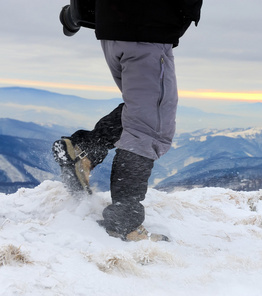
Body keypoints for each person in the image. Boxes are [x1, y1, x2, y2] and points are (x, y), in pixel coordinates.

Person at [52, 0, 203, 242]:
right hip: (146, 31)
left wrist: (76, 13)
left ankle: (83, 152)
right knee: (149, 127)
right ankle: (124, 222)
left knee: (142, 111)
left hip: (113, 29)